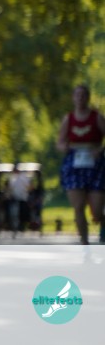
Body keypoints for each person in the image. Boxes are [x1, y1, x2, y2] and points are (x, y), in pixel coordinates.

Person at [55, 83, 104, 244]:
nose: (80, 98)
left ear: (88, 98)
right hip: (74, 164)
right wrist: (64, 147)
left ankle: (102, 225)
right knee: (78, 206)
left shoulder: (97, 117)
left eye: (83, 95)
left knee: (97, 212)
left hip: (95, 164)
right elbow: (60, 142)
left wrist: (100, 150)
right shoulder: (68, 119)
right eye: (77, 95)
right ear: (73, 98)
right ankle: (84, 244)